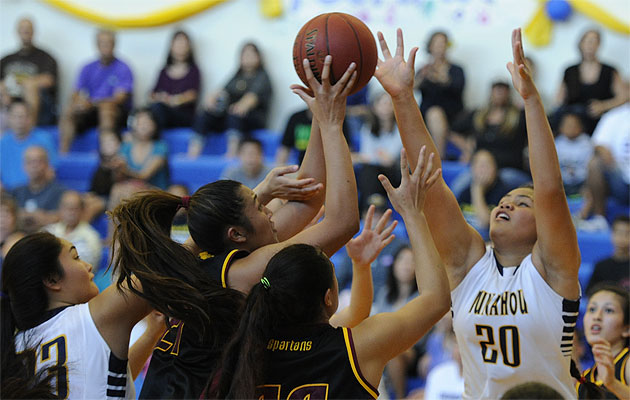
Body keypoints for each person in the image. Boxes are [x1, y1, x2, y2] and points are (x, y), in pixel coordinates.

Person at [374, 28, 581, 398]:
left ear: (542, 228)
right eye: (506, 200)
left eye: (522, 203)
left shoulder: (553, 270)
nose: (506, 203)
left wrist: (532, 102)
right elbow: (433, 184)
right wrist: (402, 96)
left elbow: (550, 190)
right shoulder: (469, 264)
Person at [138, 56, 359, 399]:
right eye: (260, 204)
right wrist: (332, 125)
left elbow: (308, 197)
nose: (270, 209)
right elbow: (343, 223)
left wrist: (319, 109)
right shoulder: (240, 275)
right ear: (236, 234)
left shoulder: (214, 255)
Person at [209, 142, 449, 398]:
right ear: (328, 297)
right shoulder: (357, 348)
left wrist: (361, 266)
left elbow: (356, 311)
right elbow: (436, 299)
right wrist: (413, 214)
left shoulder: (243, 345)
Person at [189, 42, 272, 158]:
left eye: (251, 54)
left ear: (259, 57)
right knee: (205, 115)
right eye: (245, 54)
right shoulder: (237, 76)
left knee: (235, 113)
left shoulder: (262, 76)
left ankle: (232, 153)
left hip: (251, 119)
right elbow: (222, 91)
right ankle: (193, 153)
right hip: (231, 118)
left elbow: (251, 98)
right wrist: (210, 100)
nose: (248, 57)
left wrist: (241, 106)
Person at [449, 80, 530, 197]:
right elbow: (454, 131)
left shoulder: (519, 117)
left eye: (503, 91)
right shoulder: (479, 115)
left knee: (504, 185)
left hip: (508, 168)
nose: (499, 94)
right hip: (480, 167)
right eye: (497, 91)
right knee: (459, 185)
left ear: (509, 94)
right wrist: (468, 149)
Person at [58, 29, 133, 154]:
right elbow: (75, 93)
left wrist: (92, 103)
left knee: (106, 109)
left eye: (108, 43)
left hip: (115, 112)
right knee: (70, 109)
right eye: (102, 43)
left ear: (114, 44)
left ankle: (106, 154)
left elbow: (119, 98)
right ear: (97, 45)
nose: (105, 46)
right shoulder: (87, 67)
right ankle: (63, 154)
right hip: (90, 111)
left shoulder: (123, 68)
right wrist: (80, 103)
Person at [555, 29, 628, 135]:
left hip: (600, 121)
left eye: (594, 42)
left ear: (599, 45)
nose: (590, 45)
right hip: (573, 122)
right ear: (581, 44)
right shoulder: (570, 70)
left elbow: (623, 97)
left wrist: (603, 106)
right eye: (588, 41)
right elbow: (558, 100)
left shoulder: (610, 70)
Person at [372, 244, 419, 398]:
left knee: (393, 353)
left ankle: (399, 397)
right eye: (402, 260)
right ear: (394, 265)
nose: (406, 265)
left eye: (411, 261)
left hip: (412, 349)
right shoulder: (385, 294)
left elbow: (418, 333)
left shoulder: (420, 297)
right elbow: (376, 325)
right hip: (384, 345)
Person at [577, 101, 630, 232]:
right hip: (621, 180)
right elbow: (599, 143)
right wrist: (605, 153)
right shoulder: (616, 115)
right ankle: (600, 219)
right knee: (595, 163)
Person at [414, 30, 465, 158]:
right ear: (430, 46)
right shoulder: (424, 69)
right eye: (436, 43)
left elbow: (459, 88)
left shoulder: (456, 69)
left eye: (443, 43)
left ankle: (439, 158)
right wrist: (422, 77)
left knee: (435, 114)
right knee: (430, 114)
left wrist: (443, 79)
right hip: (427, 115)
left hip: (453, 115)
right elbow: (412, 89)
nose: (440, 47)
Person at [0, 18, 58, 126]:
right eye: (22, 29)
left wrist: (25, 83)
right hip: (9, 99)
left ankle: (30, 128)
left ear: (34, 32)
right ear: (17, 32)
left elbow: (49, 80)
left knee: (30, 85)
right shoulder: (6, 59)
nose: (25, 32)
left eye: (28, 29)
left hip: (36, 100)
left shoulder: (45, 57)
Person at [576, 284, 629, 399]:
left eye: (609, 310)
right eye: (592, 309)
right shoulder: (584, 379)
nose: (597, 316)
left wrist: (613, 384)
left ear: (627, 328)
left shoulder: (627, 363)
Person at [354, 91, 402, 213]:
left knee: (371, 171)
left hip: (395, 173)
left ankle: (371, 209)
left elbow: (389, 160)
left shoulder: (400, 129)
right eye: (382, 103)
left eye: (389, 104)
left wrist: (369, 156)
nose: (386, 107)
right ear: (374, 107)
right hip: (374, 172)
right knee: (369, 171)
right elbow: (366, 156)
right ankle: (372, 210)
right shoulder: (368, 127)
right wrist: (378, 155)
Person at [456, 149, 515, 241]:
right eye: (479, 166)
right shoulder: (465, 192)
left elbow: (485, 224)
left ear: (495, 169)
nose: (483, 171)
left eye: (487, 166)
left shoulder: (504, 194)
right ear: (472, 169)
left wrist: (477, 191)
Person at [0, 99, 57, 190]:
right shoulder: (2, 142)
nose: (19, 120)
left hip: (36, 192)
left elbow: (51, 172)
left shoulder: (44, 139)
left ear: (30, 118)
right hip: (8, 195)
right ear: (9, 118)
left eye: (22, 116)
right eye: (15, 116)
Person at [149, 30, 201, 129]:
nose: (180, 47)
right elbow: (152, 94)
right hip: (163, 110)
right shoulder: (163, 71)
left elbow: (192, 95)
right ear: (171, 46)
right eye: (177, 43)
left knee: (159, 109)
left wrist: (174, 100)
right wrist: (160, 97)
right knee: (150, 111)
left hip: (183, 115)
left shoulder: (194, 70)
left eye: (184, 43)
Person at [10, 146, 65, 233]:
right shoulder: (15, 192)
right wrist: (39, 216)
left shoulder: (60, 193)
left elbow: (64, 218)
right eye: (29, 162)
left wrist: (25, 215)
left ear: (47, 164)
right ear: (24, 166)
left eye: (38, 161)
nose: (34, 166)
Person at [43, 190, 103, 269]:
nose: (70, 212)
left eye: (74, 208)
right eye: (66, 207)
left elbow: (89, 268)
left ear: (82, 210)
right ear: (60, 209)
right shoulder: (49, 231)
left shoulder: (91, 237)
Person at [118, 107, 169, 190]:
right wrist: (116, 168)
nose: (143, 126)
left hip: (154, 190)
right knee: (117, 189)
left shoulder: (160, 147)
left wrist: (124, 170)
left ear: (155, 125)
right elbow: (119, 179)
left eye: (147, 122)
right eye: (139, 122)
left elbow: (144, 175)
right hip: (130, 188)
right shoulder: (125, 147)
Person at [585, 216, 630, 293]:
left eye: (627, 233)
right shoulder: (601, 266)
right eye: (619, 233)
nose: (622, 237)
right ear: (612, 234)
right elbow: (590, 292)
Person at [554, 111, 593, 196]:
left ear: (581, 127)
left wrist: (575, 174)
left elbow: (589, 168)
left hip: (582, 183)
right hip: (562, 184)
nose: (571, 128)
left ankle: (584, 209)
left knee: (590, 190)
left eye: (574, 125)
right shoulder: (556, 143)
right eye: (568, 125)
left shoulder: (587, 143)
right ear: (561, 128)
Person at [0, 194, 25, 260]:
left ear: (15, 218)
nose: (3, 219)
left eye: (7, 215)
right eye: (0, 214)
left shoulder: (18, 240)